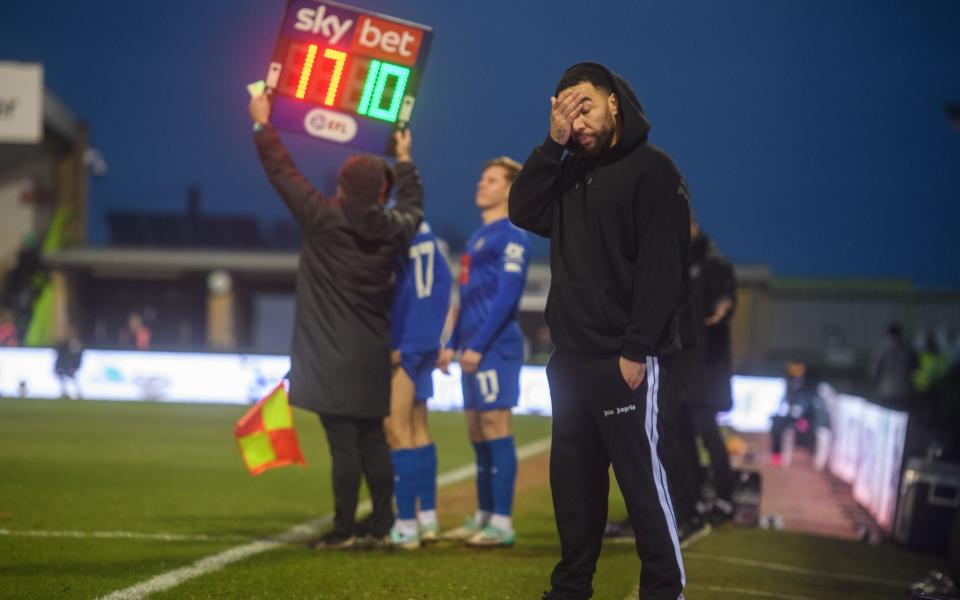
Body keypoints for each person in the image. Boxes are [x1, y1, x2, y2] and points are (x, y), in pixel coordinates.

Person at [509, 62, 689, 600]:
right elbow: (522, 209)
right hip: (570, 359)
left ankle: (664, 590)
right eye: (565, 109)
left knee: (640, 485)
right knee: (574, 487)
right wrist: (551, 144)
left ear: (614, 102)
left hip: (623, 358)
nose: (577, 119)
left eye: (584, 104)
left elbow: (663, 267)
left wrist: (637, 349)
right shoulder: (567, 170)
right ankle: (570, 589)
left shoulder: (653, 170)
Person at [248, 91, 423, 549]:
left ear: (342, 186)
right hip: (371, 352)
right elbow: (414, 206)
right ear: (381, 193)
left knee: (344, 444)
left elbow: (281, 173)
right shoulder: (394, 228)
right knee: (373, 442)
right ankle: (382, 524)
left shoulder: (322, 217)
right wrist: (404, 161)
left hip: (327, 354)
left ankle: (344, 529)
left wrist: (264, 125)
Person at [438, 156, 530, 547]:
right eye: (481, 177)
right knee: (477, 433)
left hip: (495, 348)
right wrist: (453, 343)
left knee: (495, 429)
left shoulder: (513, 235)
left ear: (510, 189)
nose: (481, 184)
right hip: (472, 349)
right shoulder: (478, 237)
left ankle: (502, 523)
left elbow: (507, 297)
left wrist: (476, 345)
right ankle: (483, 515)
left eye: (490, 180)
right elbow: (469, 298)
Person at [385, 221, 452, 549]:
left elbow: (396, 289)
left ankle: (406, 525)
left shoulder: (394, 229)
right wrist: (438, 337)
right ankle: (427, 518)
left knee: (396, 429)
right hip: (426, 340)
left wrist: (396, 339)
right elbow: (445, 283)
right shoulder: (427, 232)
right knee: (417, 427)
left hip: (406, 341)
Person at [872, 322, 918, 410]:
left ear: (888, 334)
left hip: (886, 391)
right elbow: (915, 371)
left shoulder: (882, 351)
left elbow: (874, 372)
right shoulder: (909, 351)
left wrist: (878, 385)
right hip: (904, 392)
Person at [54, 326, 84, 400]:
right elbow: (59, 353)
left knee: (72, 378)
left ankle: (78, 393)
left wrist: (75, 365)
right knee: (63, 377)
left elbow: (77, 356)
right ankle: (65, 392)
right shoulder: (63, 343)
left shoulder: (75, 343)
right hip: (63, 364)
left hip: (70, 365)